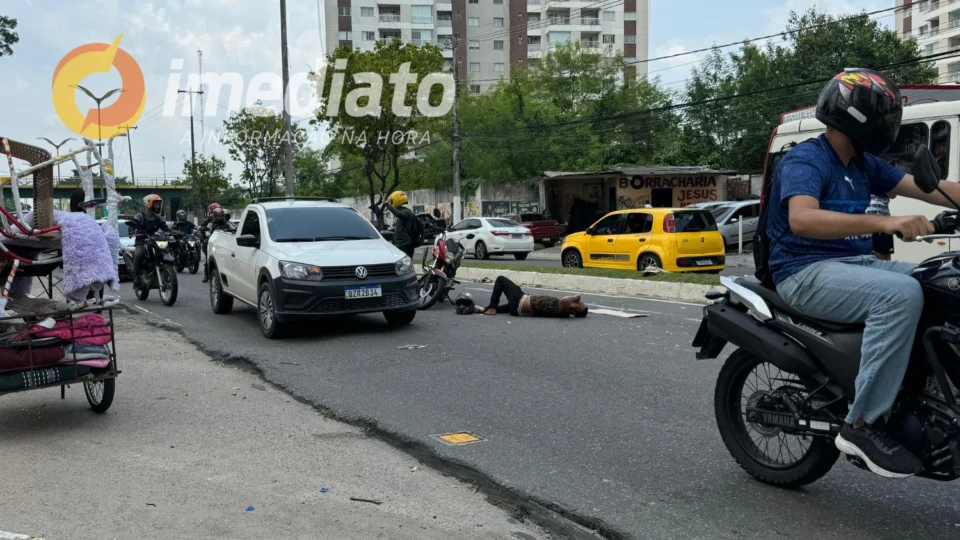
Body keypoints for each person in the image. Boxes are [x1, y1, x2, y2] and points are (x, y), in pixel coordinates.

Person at [765, 68, 960, 478]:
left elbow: (932, 189)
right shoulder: (806, 159)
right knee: (900, 295)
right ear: (856, 116)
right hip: (804, 270)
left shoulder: (863, 163)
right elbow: (803, 219)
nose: (891, 125)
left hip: (854, 265)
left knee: (944, 278)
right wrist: (885, 224)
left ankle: (925, 395)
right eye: (886, 116)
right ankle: (862, 424)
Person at [476, 276, 588, 318]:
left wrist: (578, 297)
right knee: (504, 308)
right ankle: (482, 309)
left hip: (520, 301)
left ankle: (491, 308)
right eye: (580, 303)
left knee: (500, 279)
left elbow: (566, 300)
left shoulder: (564, 309)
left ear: (574, 312)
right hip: (517, 308)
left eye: (579, 305)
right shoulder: (564, 311)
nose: (579, 302)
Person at [131, 194, 170, 286]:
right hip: (142, 242)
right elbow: (133, 225)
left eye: (159, 204)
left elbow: (166, 228)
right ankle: (136, 276)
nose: (158, 206)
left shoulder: (158, 218)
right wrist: (132, 230)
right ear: (148, 204)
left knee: (166, 251)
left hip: (154, 242)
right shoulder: (140, 216)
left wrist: (174, 232)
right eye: (156, 204)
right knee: (139, 254)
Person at [200, 203, 234, 283]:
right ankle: (206, 275)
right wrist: (208, 235)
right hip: (214, 243)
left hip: (225, 243)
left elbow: (233, 230)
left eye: (220, 216)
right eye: (217, 216)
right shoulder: (210, 223)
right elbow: (207, 232)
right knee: (209, 257)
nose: (219, 218)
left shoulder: (227, 223)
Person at [383, 190, 417, 258]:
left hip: (405, 245)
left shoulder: (406, 212)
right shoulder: (404, 213)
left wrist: (387, 204)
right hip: (400, 245)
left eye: (392, 201)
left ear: (397, 200)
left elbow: (398, 214)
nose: (391, 203)